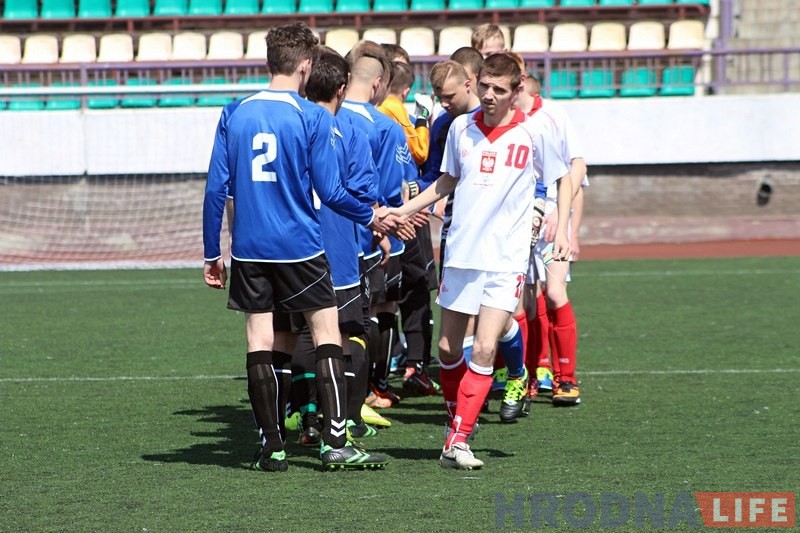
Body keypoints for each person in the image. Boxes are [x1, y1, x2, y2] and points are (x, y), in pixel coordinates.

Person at [202, 23, 397, 472]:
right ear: (306, 65)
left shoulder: (235, 112)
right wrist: (372, 216)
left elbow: (216, 189)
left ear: (269, 61)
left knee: (259, 340)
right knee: (327, 332)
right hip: (300, 248)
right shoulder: (312, 117)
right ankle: (334, 443)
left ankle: (271, 447)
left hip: (249, 251)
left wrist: (213, 253)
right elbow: (330, 191)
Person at [388, 53, 573, 470]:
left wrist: (560, 229)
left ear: (516, 89)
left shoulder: (534, 132)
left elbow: (564, 176)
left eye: (499, 89)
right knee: (449, 348)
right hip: (461, 253)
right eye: (485, 86)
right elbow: (448, 179)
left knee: (485, 346)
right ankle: (458, 421)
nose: (489, 95)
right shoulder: (460, 128)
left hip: (506, 258)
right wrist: (405, 209)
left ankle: (459, 439)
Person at [341, 41, 416, 410]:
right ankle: (371, 389)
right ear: (379, 83)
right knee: (377, 310)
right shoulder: (384, 126)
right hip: (373, 234)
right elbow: (390, 187)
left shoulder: (323, 115)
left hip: (324, 237)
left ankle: (312, 406)